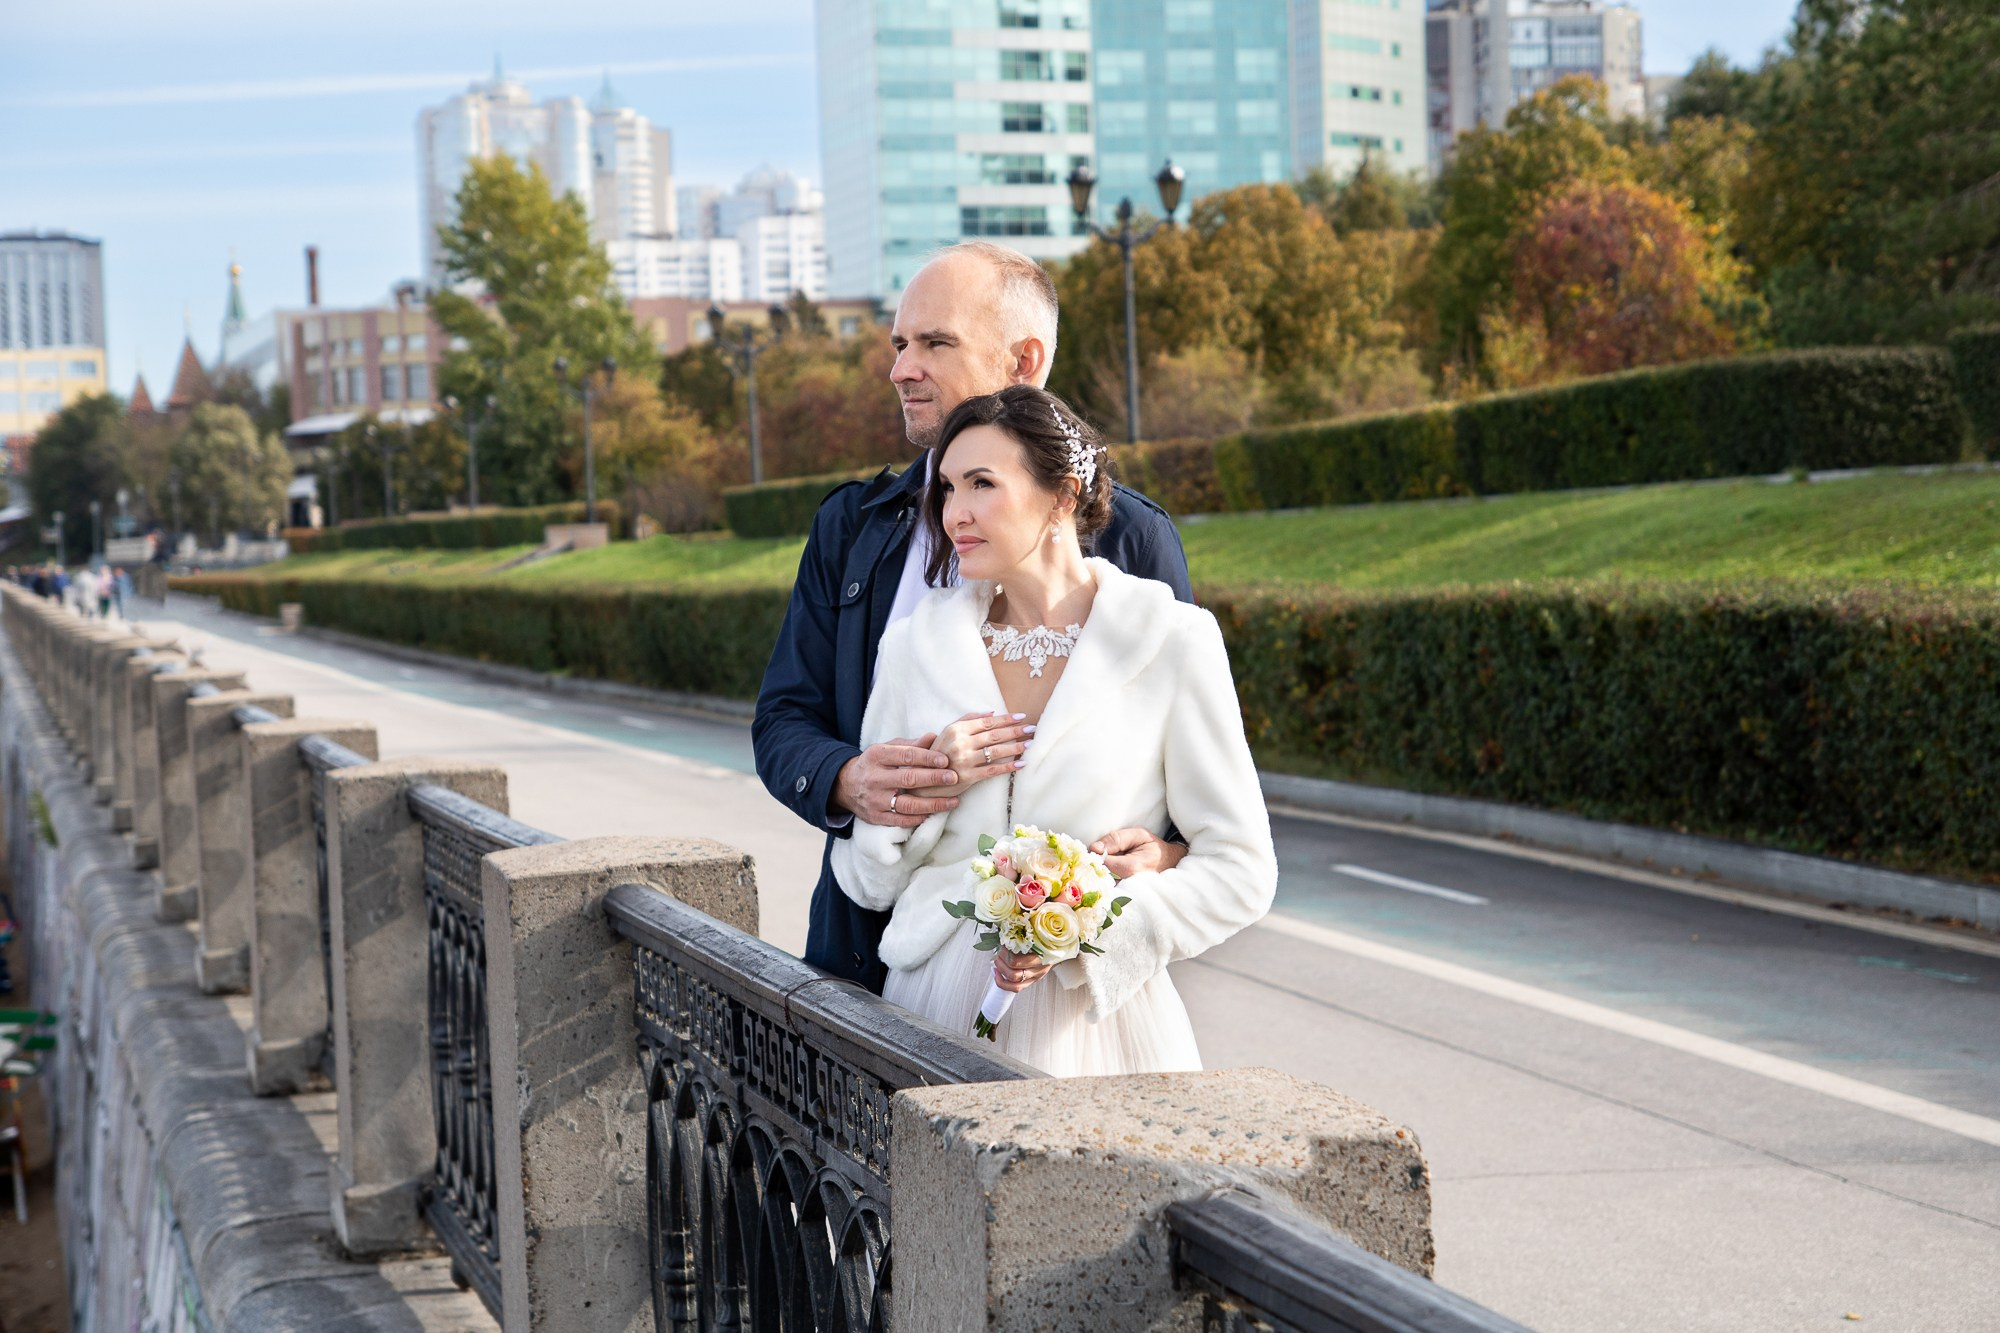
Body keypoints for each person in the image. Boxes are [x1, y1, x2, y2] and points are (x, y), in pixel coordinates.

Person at [754, 241, 1195, 992]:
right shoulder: (850, 526)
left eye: (934, 342)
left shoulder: (1132, 539)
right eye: (898, 344)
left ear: (1024, 361)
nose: (901, 369)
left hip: (1060, 983)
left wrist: (1165, 856)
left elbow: (1190, 770)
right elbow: (783, 720)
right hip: (862, 957)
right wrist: (847, 778)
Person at [830, 386, 1276, 1075]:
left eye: (982, 483)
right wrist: (934, 782)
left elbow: (1241, 868)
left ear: (1063, 495)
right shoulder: (916, 646)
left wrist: (1090, 928)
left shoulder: (1172, 639)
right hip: (933, 1005)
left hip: (1099, 1028)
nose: (954, 512)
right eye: (947, 487)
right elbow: (868, 879)